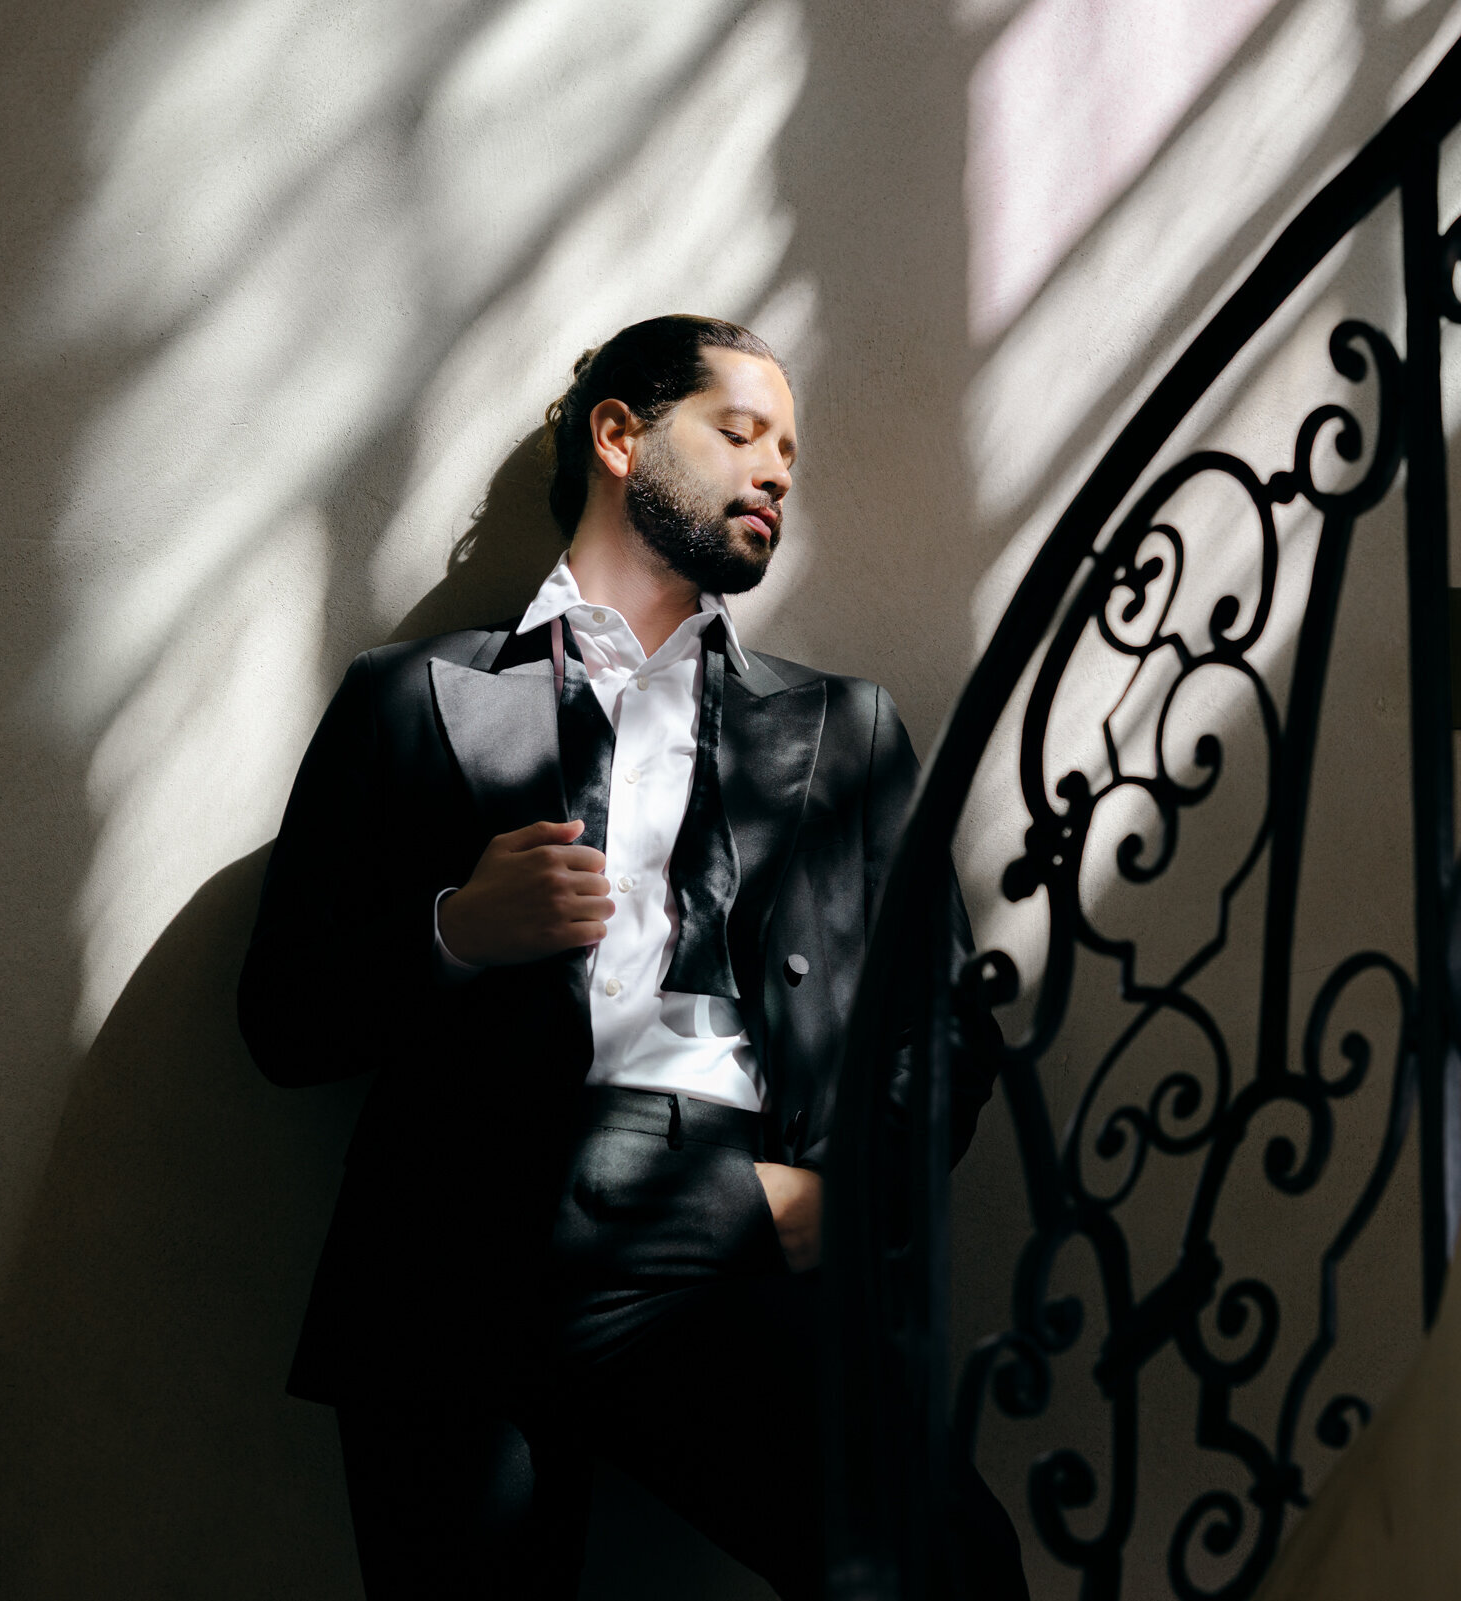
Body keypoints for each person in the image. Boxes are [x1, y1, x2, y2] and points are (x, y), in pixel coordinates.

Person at [239, 315, 1026, 1600]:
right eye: (740, 432)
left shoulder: (844, 726)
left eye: (790, 450)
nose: (776, 468)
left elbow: (943, 1027)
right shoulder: (411, 695)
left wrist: (849, 1192)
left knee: (948, 1566)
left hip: (717, 1208)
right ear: (620, 434)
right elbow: (283, 1020)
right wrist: (454, 928)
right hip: (456, 1223)